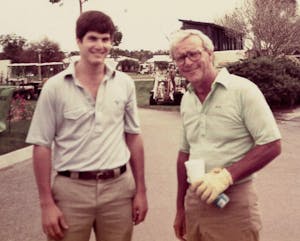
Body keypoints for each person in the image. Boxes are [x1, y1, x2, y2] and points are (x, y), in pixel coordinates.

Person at [26, 10, 148, 241]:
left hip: (118, 190)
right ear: (79, 41)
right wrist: (46, 204)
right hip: (71, 191)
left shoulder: (124, 84)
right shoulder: (55, 88)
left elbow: (133, 136)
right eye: (93, 38)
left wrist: (141, 190)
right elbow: (41, 145)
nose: (100, 45)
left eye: (105, 39)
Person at [169, 29, 281, 241]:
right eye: (180, 57)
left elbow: (272, 144)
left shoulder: (243, 91)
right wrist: (181, 208)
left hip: (233, 203)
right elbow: (185, 154)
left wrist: (226, 176)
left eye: (193, 54)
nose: (188, 62)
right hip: (195, 201)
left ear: (210, 54)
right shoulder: (188, 99)